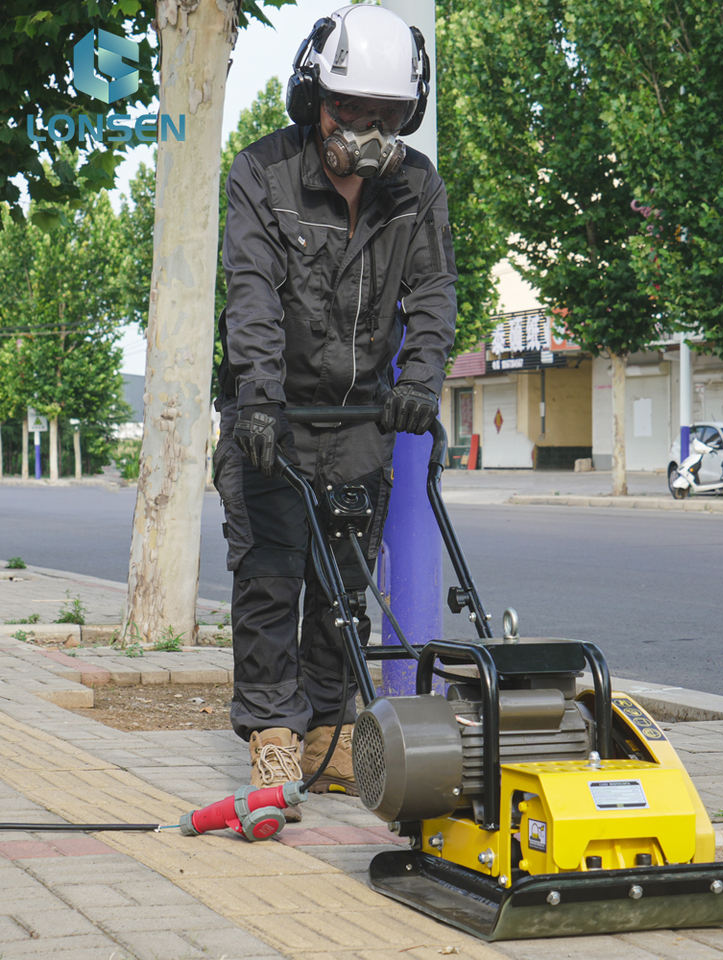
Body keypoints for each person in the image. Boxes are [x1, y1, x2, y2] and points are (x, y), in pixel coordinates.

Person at [213, 5, 456, 813]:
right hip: (271, 415)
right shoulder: (262, 173)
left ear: (407, 114)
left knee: (343, 581)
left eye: (385, 115)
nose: (365, 130)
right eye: (350, 110)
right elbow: (251, 292)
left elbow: (432, 290)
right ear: (315, 100)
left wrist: (419, 381)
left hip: (360, 420)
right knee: (270, 576)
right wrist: (256, 398)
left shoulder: (417, 187)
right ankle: (272, 734)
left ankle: (326, 727)